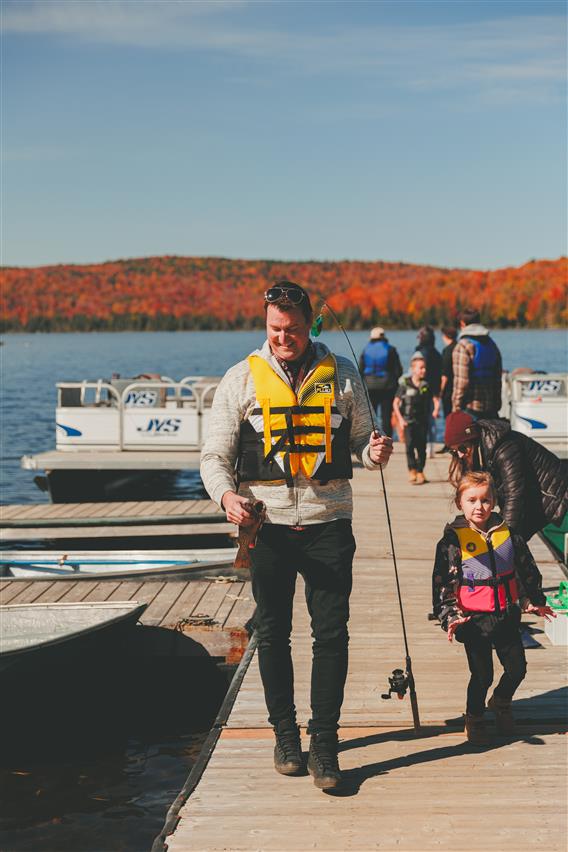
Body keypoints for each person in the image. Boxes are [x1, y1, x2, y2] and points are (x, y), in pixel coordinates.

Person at [200, 280, 393, 791]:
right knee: (273, 634)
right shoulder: (240, 379)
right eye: (274, 328)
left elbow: (359, 447)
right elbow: (213, 459)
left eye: (292, 329)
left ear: (311, 325)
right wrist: (227, 499)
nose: (283, 337)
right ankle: (286, 736)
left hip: (330, 523)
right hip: (268, 526)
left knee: (331, 635)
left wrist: (373, 454)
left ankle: (324, 745)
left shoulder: (344, 375)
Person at [432, 471, 554, 745]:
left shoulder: (509, 534)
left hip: (505, 614)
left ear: (495, 501)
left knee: (517, 669)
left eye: (486, 500)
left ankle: (501, 701)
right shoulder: (452, 541)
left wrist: (533, 601)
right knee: (482, 674)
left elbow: (524, 571)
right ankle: (474, 716)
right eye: (472, 500)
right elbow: (442, 583)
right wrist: (450, 616)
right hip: (472, 620)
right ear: (459, 503)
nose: (480, 507)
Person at [445, 411, 568, 541]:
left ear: (473, 439)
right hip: (531, 496)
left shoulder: (504, 448)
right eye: (454, 451)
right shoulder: (478, 451)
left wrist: (504, 538)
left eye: (463, 449)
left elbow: (514, 494)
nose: (459, 455)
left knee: (510, 543)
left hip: (553, 494)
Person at [393, 353, 438, 485]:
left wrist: (435, 410)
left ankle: (420, 471)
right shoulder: (404, 385)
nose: (423, 370)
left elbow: (435, 399)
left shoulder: (426, 386)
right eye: (421, 368)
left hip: (422, 421)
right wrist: (400, 419)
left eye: (424, 368)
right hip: (408, 421)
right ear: (413, 369)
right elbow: (395, 403)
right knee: (409, 446)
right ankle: (411, 470)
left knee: (421, 447)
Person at [452, 308, 502, 419]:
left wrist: (456, 409)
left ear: (462, 324)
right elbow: (498, 378)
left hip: (470, 408)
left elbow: (461, 383)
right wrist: (497, 404)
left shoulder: (463, 346)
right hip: (491, 409)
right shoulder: (492, 345)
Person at [359, 327, 402, 438]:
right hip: (387, 387)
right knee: (386, 416)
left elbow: (360, 370)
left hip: (370, 387)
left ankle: (371, 440)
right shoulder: (391, 349)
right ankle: (387, 440)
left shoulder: (365, 350)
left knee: (371, 417)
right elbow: (398, 370)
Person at [415, 326, 442, 456]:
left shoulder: (419, 354)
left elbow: (414, 373)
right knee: (431, 421)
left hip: (420, 390)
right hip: (433, 390)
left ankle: (420, 445)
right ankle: (430, 447)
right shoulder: (437, 354)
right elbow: (439, 374)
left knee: (418, 420)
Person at [436, 326, 458, 454]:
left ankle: (448, 444)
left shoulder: (447, 351)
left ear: (445, 336)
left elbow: (444, 374)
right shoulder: (459, 347)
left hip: (449, 389)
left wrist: (440, 391)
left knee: (449, 417)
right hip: (459, 388)